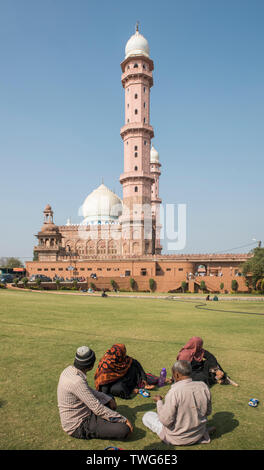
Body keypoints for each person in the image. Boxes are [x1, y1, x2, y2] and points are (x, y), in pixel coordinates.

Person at [57, 346, 132, 441]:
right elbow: (97, 408)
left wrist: (107, 399)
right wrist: (123, 419)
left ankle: (108, 418)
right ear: (91, 365)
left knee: (109, 398)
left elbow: (89, 391)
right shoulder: (77, 381)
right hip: (79, 424)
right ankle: (110, 421)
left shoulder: (69, 370)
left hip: (85, 410)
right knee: (124, 429)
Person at [142, 360, 214, 446]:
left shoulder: (174, 392)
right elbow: (208, 412)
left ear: (176, 375)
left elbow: (165, 421)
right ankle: (201, 432)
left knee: (147, 416)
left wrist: (159, 402)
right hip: (198, 434)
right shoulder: (203, 386)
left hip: (177, 438)